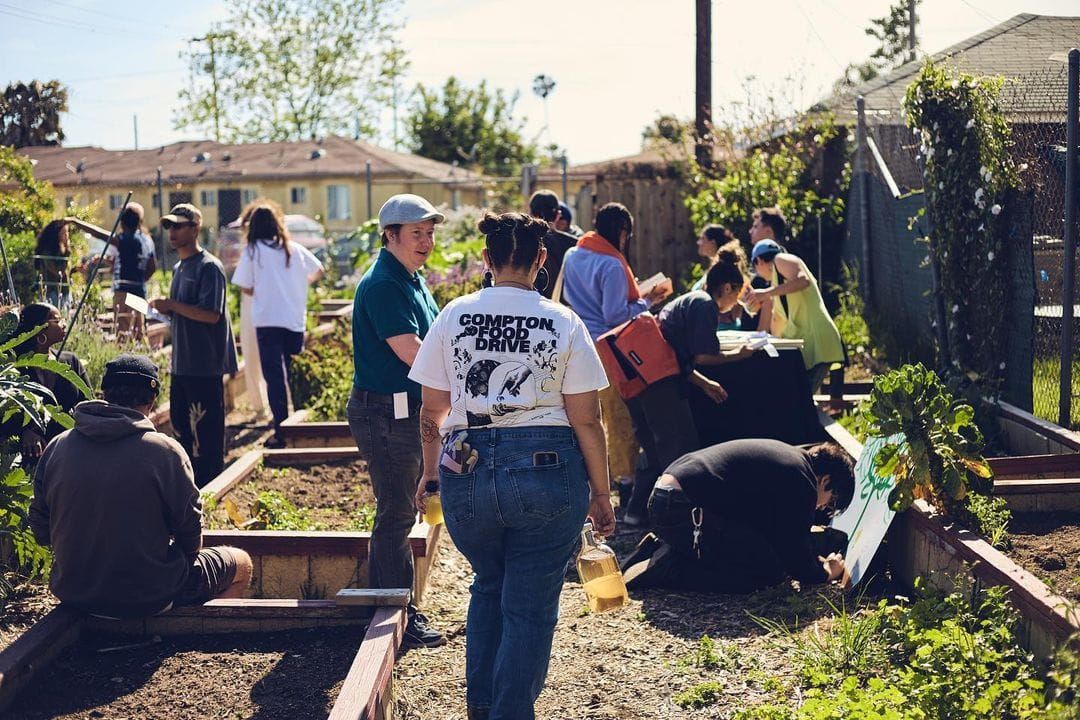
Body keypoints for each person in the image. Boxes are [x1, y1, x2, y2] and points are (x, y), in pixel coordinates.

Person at [409, 211, 614, 720]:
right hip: (546, 471)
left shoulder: (453, 315)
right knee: (529, 602)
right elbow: (587, 419)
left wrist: (430, 473)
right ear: (542, 260)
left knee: (488, 585)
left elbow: (432, 409)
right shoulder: (563, 321)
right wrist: (602, 492)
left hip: (466, 470)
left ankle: (483, 707)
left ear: (487, 259)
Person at [29, 353, 253, 618]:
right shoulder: (165, 451)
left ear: (103, 393)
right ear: (152, 400)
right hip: (148, 596)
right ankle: (194, 631)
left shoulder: (58, 446)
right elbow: (191, 537)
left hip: (75, 594)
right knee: (241, 563)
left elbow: (41, 530)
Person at [348, 193, 445, 649]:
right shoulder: (385, 283)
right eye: (416, 233)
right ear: (390, 236)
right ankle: (393, 611)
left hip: (402, 407)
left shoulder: (411, 277)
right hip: (384, 410)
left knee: (402, 505)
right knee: (396, 511)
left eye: (429, 233)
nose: (425, 241)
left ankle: (392, 604)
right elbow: (414, 352)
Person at [622, 252, 755, 524]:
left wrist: (705, 384)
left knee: (658, 448)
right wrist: (739, 355)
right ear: (727, 287)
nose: (737, 301)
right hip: (661, 383)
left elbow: (681, 359)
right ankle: (676, 516)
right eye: (738, 293)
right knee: (680, 448)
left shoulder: (689, 300)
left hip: (647, 378)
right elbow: (702, 357)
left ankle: (636, 512)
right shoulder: (706, 305)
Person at [622, 439, 854, 593]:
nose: (821, 509)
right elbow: (793, 553)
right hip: (681, 509)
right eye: (830, 502)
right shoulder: (802, 481)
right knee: (765, 572)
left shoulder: (792, 459)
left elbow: (774, 532)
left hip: (667, 499)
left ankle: (667, 547)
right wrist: (824, 573)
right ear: (825, 480)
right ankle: (672, 567)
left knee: (758, 553)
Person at [560, 202, 671, 522]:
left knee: (583, 417)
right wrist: (646, 301)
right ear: (622, 232)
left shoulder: (574, 254)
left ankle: (587, 484)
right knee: (617, 421)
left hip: (577, 344)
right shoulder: (610, 265)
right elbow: (614, 316)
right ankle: (622, 484)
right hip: (608, 350)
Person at [150, 203, 238, 488]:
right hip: (182, 364)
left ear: (195, 228)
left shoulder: (209, 267)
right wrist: (162, 312)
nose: (172, 232)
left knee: (207, 438)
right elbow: (185, 313)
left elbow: (211, 314)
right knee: (181, 432)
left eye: (178, 226)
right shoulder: (178, 267)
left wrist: (172, 305)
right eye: (169, 226)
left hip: (204, 365)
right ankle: (187, 491)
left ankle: (211, 489)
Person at [231, 199, 323, 446]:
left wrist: (264, 291)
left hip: (267, 320)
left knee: (274, 377)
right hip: (294, 319)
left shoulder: (252, 251)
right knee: (293, 372)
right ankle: (302, 422)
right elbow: (319, 270)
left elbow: (244, 285)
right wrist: (299, 284)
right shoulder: (292, 249)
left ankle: (281, 430)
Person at [742, 206, 844, 392]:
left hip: (819, 342)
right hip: (809, 347)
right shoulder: (777, 286)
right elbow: (776, 326)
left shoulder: (781, 259)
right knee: (797, 399)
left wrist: (765, 294)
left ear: (760, 261)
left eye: (754, 265)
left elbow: (802, 280)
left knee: (800, 400)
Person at [10, 302, 92, 464]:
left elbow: (88, 402)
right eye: (57, 320)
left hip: (70, 450)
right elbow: (8, 412)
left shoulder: (70, 361)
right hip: (29, 457)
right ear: (40, 327)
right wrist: (25, 432)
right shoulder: (16, 365)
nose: (64, 324)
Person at [69, 204, 158, 340]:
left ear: (122, 222)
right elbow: (152, 266)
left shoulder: (124, 239)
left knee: (123, 330)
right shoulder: (147, 240)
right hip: (139, 289)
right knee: (138, 330)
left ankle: (125, 358)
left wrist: (75, 222)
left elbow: (98, 233)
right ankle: (141, 356)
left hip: (123, 290)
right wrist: (140, 279)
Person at [526, 190, 577, 300]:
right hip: (563, 308)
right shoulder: (574, 245)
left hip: (528, 307)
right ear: (558, 215)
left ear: (530, 213)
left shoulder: (519, 242)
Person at [34, 220, 71, 308]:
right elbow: (58, 272)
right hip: (51, 290)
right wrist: (67, 253)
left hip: (64, 289)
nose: (66, 235)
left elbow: (65, 271)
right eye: (63, 233)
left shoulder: (63, 250)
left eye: (67, 232)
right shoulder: (47, 251)